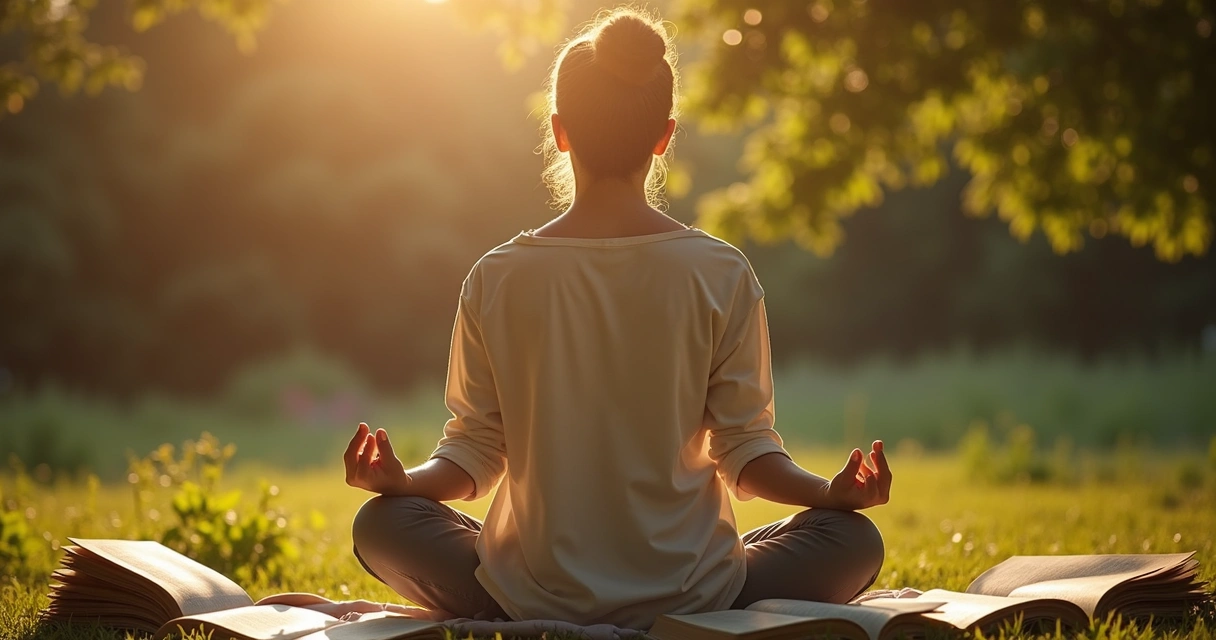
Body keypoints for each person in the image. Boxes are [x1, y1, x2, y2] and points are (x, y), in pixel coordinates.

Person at [339, 8, 891, 630]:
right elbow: (747, 452)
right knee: (851, 539)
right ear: (665, 135)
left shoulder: (497, 276)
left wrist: (401, 481)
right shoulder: (721, 272)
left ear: (559, 130)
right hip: (694, 593)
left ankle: (527, 598)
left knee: (385, 523)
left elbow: (474, 452)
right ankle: (689, 604)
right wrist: (830, 495)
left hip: (532, 593)